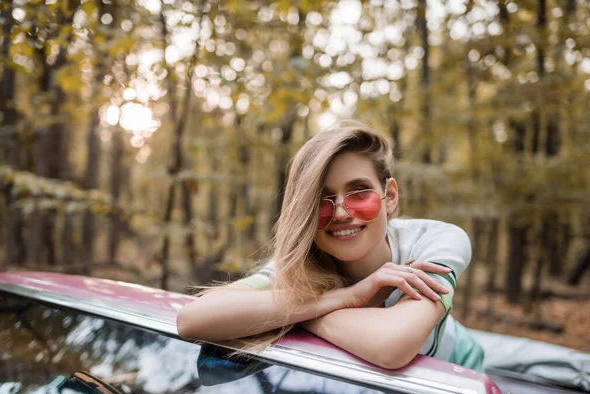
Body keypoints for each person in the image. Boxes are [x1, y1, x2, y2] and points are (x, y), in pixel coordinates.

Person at [177, 120, 484, 371]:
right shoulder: (301, 265)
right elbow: (192, 319)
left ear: (389, 196)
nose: (340, 212)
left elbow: (391, 345)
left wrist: (294, 315)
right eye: (321, 201)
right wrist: (344, 298)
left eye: (359, 192)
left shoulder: (436, 240)